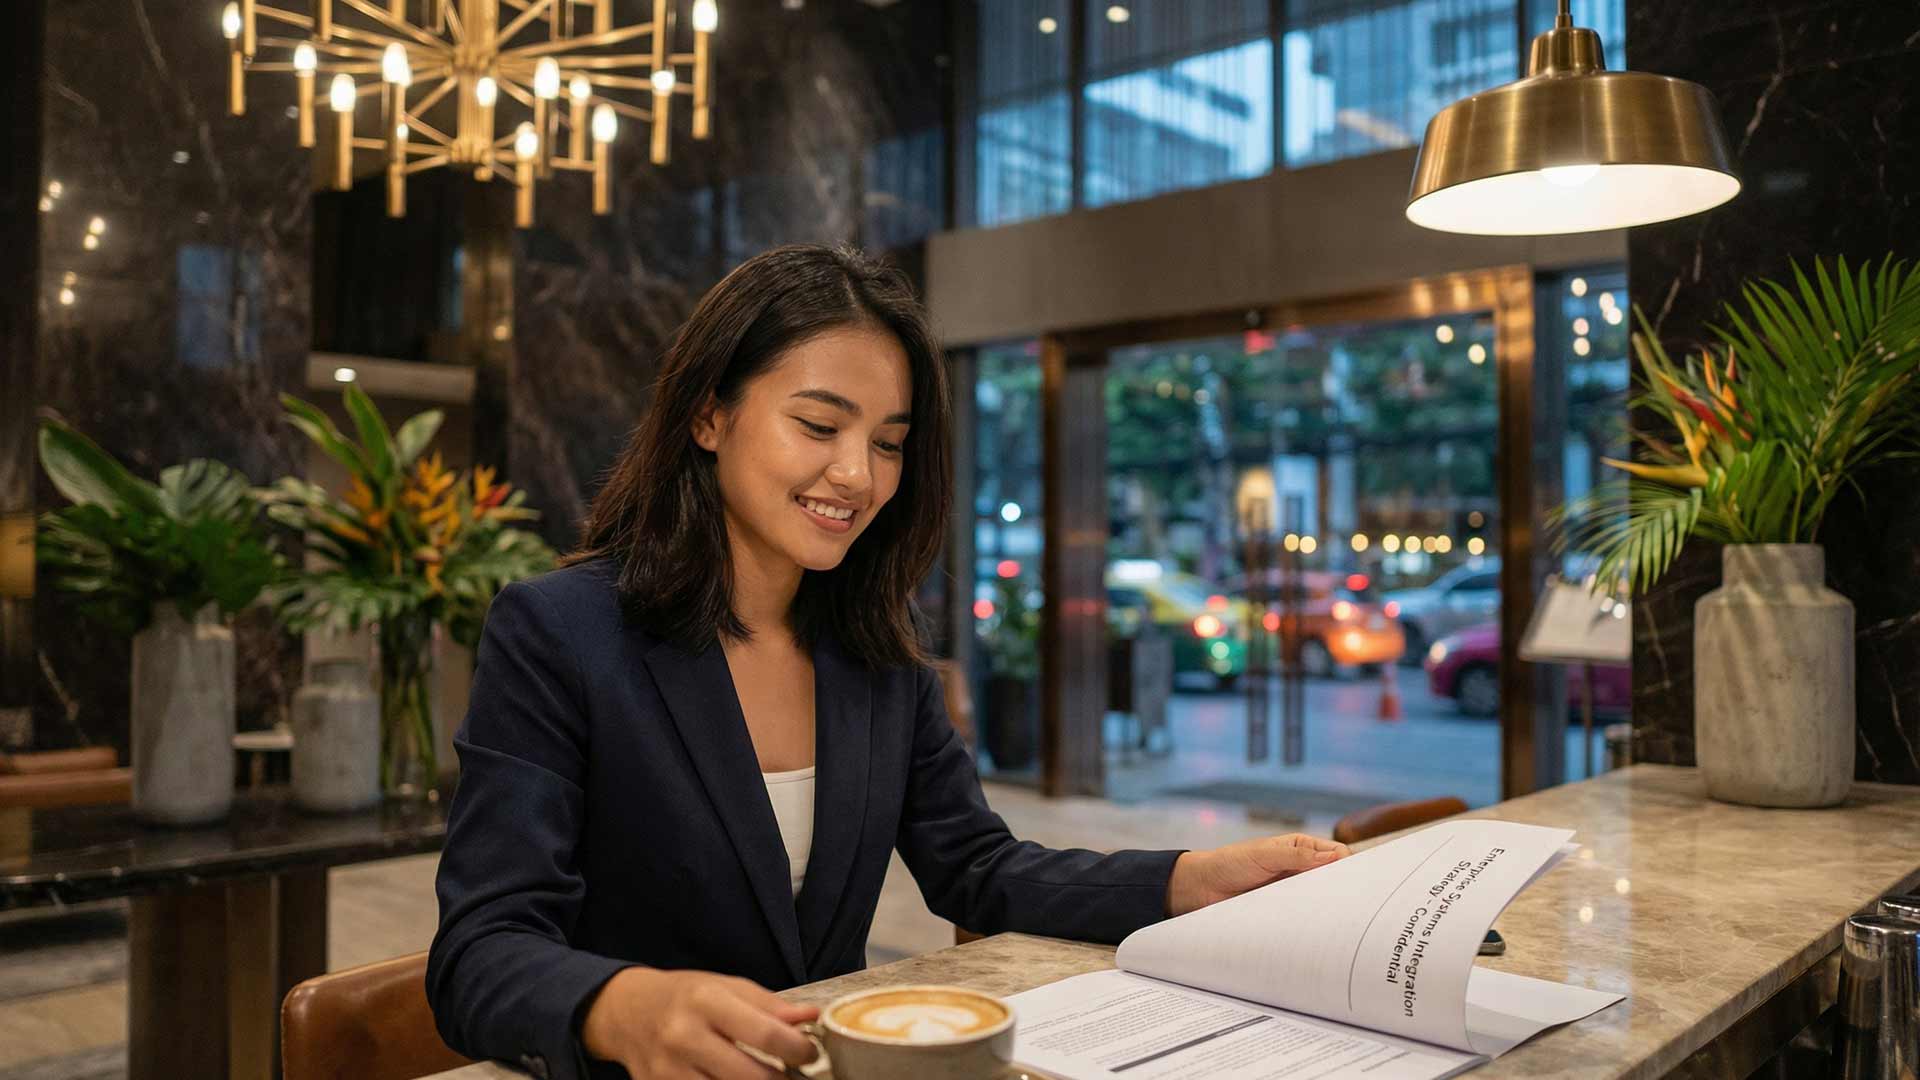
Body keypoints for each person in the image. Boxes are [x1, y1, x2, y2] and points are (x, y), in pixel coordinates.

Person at [426, 244, 1352, 1080]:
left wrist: (1187, 877)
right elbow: (480, 951)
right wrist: (623, 1006)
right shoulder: (560, 631)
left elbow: (976, 868)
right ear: (710, 415)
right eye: (819, 426)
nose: (858, 476)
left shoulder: (872, 641)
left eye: (888, 444)